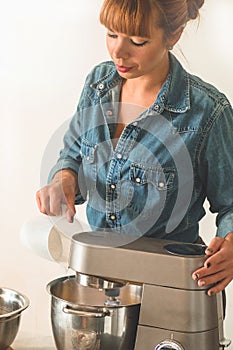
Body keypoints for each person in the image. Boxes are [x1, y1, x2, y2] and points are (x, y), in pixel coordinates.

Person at [36, 0, 233, 298]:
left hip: (171, 289)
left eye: (138, 41)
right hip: (98, 281)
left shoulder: (207, 113)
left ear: (173, 35)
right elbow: (74, 154)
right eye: (112, 34)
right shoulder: (97, 84)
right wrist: (63, 178)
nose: (118, 51)